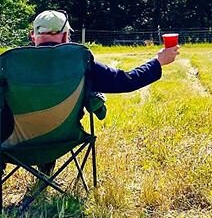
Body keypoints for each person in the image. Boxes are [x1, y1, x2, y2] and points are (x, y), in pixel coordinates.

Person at [1, 9, 180, 145]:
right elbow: (126, 82)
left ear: (34, 36)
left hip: (11, 145)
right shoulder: (80, 61)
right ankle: (46, 165)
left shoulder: (9, 64)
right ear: (65, 36)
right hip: (63, 140)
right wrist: (158, 61)